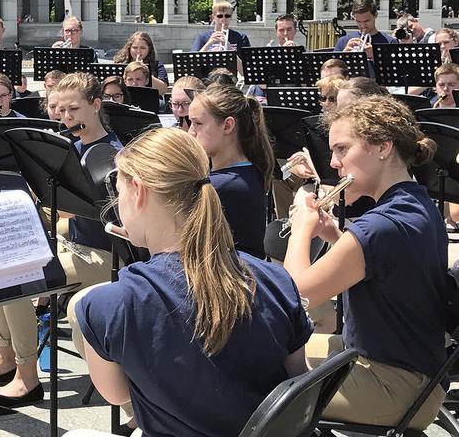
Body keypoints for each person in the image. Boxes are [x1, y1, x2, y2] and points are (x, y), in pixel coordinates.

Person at [67, 128, 312, 437]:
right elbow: (298, 382)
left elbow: (119, 395)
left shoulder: (105, 305)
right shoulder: (277, 281)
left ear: (139, 191)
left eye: (119, 192)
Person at [284, 95, 449, 429]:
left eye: (342, 149)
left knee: (254, 384)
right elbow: (386, 268)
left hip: (393, 385)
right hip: (411, 372)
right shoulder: (416, 204)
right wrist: (336, 237)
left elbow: (293, 297)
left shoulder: (380, 226)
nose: (333, 162)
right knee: (267, 349)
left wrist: (302, 228)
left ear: (383, 147)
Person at [0, 72, 118, 408]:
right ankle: (5, 354)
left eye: (74, 110)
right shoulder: (76, 147)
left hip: (105, 255)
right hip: (76, 244)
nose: (65, 117)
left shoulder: (110, 154)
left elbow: (105, 218)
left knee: (13, 279)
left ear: (96, 106)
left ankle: (27, 378)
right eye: (62, 111)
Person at [187, 85, 274, 259]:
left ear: (227, 125)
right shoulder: (245, 172)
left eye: (198, 123)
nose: (190, 131)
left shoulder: (224, 186)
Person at [333, 0, 397, 73]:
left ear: (375, 15)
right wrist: (344, 55)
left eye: (367, 21)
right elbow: (332, 71)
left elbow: (396, 71)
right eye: (358, 21)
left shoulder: (390, 42)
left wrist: (375, 56)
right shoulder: (343, 41)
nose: (363, 25)